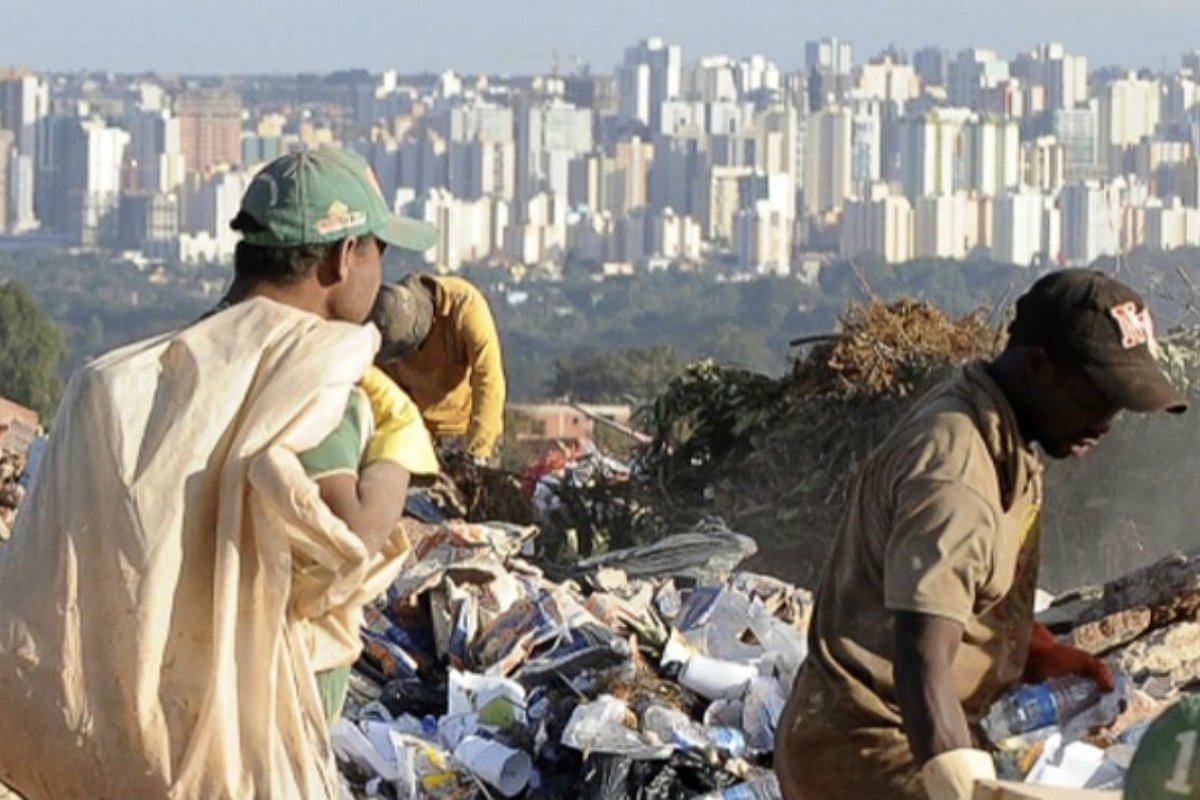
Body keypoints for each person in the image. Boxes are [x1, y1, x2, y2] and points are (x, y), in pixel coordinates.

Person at [0, 145, 436, 800]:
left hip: (124, 742)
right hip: (248, 752)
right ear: (345, 257)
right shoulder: (312, 379)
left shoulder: (124, 381)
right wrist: (399, 442)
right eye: (379, 251)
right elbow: (351, 534)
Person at [775, 269, 1188, 800]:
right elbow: (921, 659)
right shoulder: (957, 472)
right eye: (1094, 400)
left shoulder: (998, 432)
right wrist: (964, 788)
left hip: (903, 730)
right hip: (871, 746)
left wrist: (1032, 652)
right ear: (1036, 366)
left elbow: (963, 589)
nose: (1105, 422)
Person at [370, 272, 506, 463]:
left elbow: (489, 378)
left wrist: (479, 450)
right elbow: (379, 392)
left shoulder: (465, 307)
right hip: (416, 434)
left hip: (466, 428)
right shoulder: (386, 322)